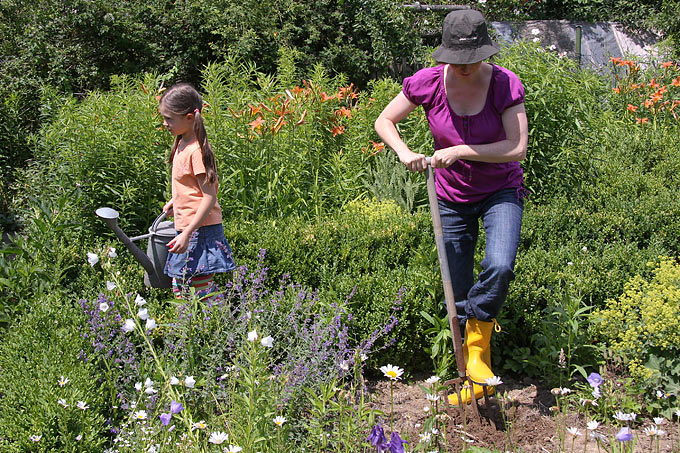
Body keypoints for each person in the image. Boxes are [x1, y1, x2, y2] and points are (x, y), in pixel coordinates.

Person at [374, 9, 528, 404]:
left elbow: (517, 147)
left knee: (499, 263)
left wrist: (461, 149)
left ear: (486, 52)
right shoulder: (427, 83)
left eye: (472, 58)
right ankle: (472, 378)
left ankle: (477, 349)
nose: (464, 67)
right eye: (456, 60)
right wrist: (405, 151)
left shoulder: (504, 84)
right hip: (451, 198)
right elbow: (384, 122)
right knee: (455, 287)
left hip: (500, 192)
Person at [158, 83, 236, 299]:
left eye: (169, 118)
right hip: (187, 227)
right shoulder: (182, 142)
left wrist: (187, 233)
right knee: (180, 282)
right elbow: (190, 187)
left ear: (190, 118)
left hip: (198, 229)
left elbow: (210, 196)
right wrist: (177, 201)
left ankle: (216, 325)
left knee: (197, 283)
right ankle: (192, 328)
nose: (165, 123)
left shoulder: (197, 151)